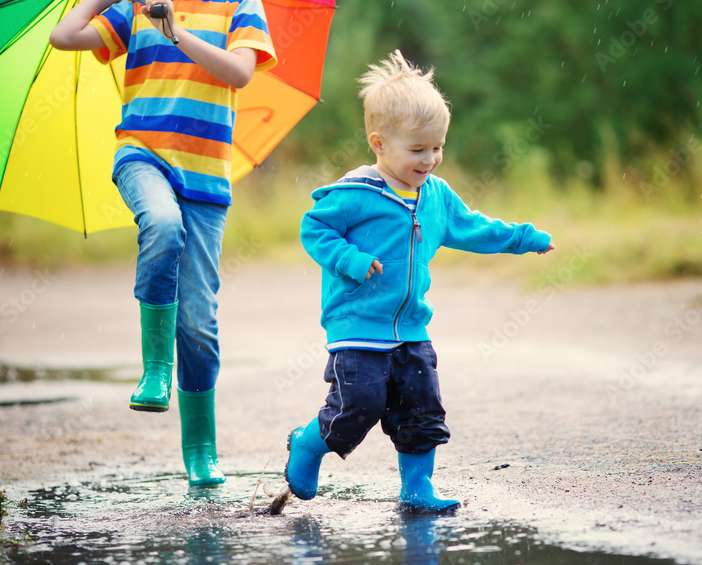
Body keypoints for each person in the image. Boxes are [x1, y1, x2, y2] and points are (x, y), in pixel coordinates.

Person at [285, 50, 554, 512]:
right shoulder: (354, 195)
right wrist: (348, 259)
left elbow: (473, 227)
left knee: (420, 409)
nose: (430, 159)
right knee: (359, 406)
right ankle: (308, 445)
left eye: (437, 147)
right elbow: (314, 228)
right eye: (418, 150)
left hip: (412, 328)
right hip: (357, 327)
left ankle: (417, 488)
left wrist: (523, 238)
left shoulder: (435, 196)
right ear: (379, 143)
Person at [49, 0, 277, 487]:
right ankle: (155, 371)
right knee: (161, 223)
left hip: (206, 180)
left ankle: (200, 449)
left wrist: (174, 32)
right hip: (141, 154)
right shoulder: (134, 7)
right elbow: (63, 37)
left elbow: (239, 73)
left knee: (198, 323)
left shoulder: (240, 6)